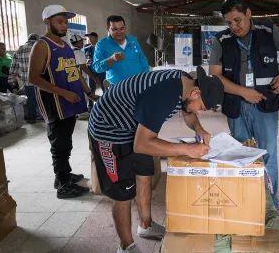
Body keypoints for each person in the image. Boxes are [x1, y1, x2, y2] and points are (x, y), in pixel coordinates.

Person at [89, 67, 222, 253]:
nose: (199, 112)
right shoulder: (164, 95)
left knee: (145, 171)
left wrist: (198, 129)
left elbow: (188, 110)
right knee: (123, 191)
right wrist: (187, 149)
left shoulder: (185, 82)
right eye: (202, 108)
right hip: (109, 129)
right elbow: (142, 144)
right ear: (195, 92)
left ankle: (146, 225)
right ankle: (126, 246)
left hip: (135, 127)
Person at [209, 0, 279, 208]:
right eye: (229, 23)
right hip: (236, 106)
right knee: (239, 154)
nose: (234, 27)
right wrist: (243, 92)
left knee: (268, 154)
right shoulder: (221, 40)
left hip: (265, 105)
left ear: (248, 13)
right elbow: (215, 77)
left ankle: (269, 204)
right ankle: (242, 202)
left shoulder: (268, 30)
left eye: (238, 20)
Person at [28, 5, 99, 199]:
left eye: (65, 22)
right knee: (59, 141)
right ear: (47, 21)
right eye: (59, 21)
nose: (64, 26)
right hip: (54, 102)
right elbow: (33, 78)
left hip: (69, 101)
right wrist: (64, 93)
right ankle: (62, 184)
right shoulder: (42, 45)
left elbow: (74, 72)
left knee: (66, 140)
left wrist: (89, 93)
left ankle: (64, 175)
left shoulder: (65, 46)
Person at [92, 15, 149, 85]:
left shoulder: (133, 41)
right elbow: (97, 67)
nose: (119, 32)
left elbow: (142, 59)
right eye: (115, 29)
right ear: (108, 29)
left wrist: (145, 77)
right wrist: (111, 59)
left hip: (137, 84)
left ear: (125, 28)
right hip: (117, 88)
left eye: (122, 28)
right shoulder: (101, 45)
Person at [8, 33, 41, 122]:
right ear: (37, 39)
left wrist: (11, 79)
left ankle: (32, 117)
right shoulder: (40, 47)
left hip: (28, 80)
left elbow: (14, 67)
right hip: (41, 79)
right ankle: (44, 116)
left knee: (30, 98)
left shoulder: (19, 50)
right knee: (42, 98)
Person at [70, 34, 98, 119]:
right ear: (76, 43)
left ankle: (76, 112)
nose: (83, 43)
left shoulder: (70, 51)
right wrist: (93, 77)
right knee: (83, 94)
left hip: (72, 77)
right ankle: (82, 113)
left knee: (76, 94)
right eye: (81, 42)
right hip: (80, 77)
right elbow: (83, 67)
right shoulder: (79, 52)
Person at [83, 32, 106, 110]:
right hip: (91, 71)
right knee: (90, 90)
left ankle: (105, 105)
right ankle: (91, 107)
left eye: (91, 37)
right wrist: (86, 62)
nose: (89, 39)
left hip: (101, 71)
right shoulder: (86, 48)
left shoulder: (101, 48)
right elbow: (83, 59)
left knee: (104, 88)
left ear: (96, 38)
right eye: (88, 38)